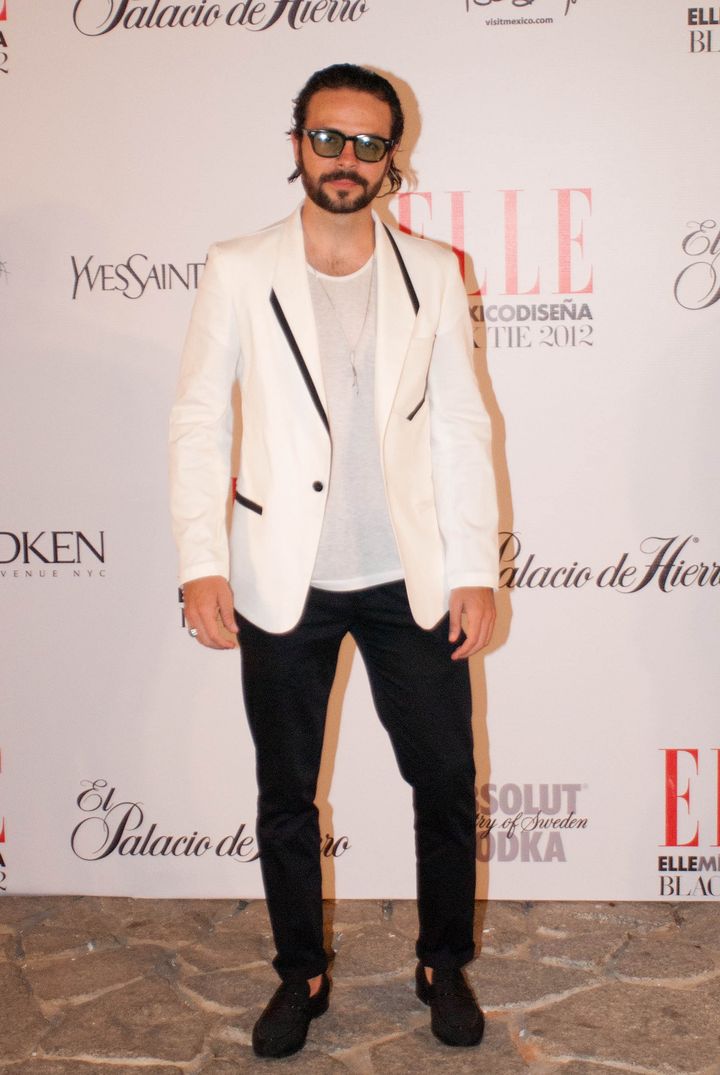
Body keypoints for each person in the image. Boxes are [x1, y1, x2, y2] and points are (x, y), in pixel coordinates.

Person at [169, 63, 499, 1058]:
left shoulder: (433, 271)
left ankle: (443, 962)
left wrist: (475, 567)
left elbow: (461, 426)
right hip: (284, 577)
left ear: (392, 158)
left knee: (446, 779)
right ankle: (300, 972)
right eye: (326, 138)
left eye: (366, 143)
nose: (345, 158)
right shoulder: (238, 267)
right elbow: (197, 420)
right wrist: (201, 559)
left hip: (410, 577)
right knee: (286, 793)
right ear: (297, 144)